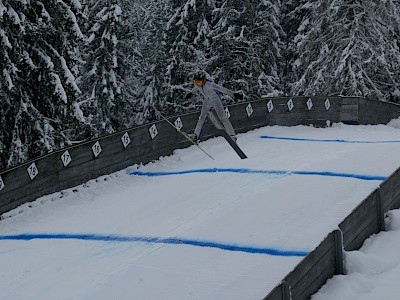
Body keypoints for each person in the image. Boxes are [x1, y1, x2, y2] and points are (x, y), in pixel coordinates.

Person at [186, 70, 243, 142]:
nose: (197, 84)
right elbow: (194, 89)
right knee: (202, 117)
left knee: (222, 117)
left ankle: (232, 135)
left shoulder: (210, 84)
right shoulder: (197, 85)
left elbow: (223, 89)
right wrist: (191, 94)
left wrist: (233, 94)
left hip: (215, 100)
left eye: (199, 82)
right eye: (195, 82)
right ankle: (196, 135)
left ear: (203, 80)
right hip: (207, 100)